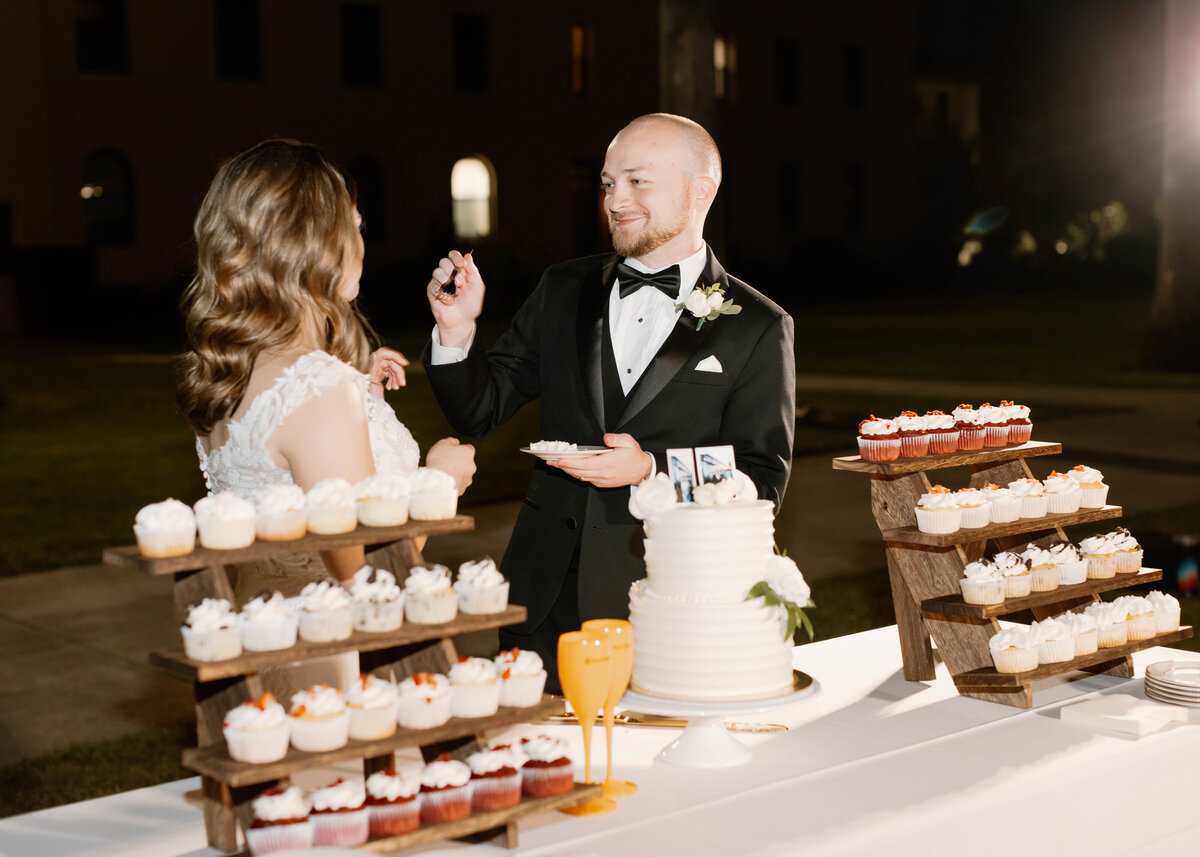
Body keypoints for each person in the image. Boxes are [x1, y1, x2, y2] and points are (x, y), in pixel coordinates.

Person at [415, 114, 795, 691]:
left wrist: (651, 470)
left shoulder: (756, 327)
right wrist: (455, 331)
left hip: (667, 600)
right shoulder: (563, 289)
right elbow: (478, 409)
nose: (616, 200)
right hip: (542, 597)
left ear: (702, 191)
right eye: (608, 182)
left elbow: (762, 479)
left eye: (637, 181)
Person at [176, 139, 476, 601]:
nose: (360, 243)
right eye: (352, 226)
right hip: (335, 658)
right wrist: (440, 484)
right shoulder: (319, 391)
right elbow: (370, 580)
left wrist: (360, 397)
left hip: (264, 634)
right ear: (309, 244)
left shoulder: (230, 372)